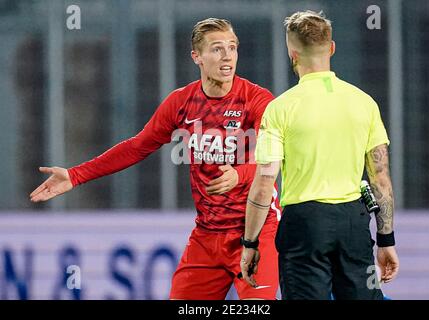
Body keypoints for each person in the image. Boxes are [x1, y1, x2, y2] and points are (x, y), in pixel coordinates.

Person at [30, 18, 281, 300]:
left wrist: (239, 175)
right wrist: (77, 175)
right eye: (217, 49)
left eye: (232, 48)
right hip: (207, 235)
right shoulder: (181, 102)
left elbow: (270, 162)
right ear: (196, 57)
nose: (227, 56)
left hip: (255, 230)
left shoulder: (257, 100)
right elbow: (138, 146)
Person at [240, 10, 399, 300]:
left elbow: (264, 184)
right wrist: (386, 239)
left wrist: (250, 243)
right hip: (353, 223)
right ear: (332, 48)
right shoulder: (364, 103)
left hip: (304, 224)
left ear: (292, 53)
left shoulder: (280, 108)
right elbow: (381, 179)